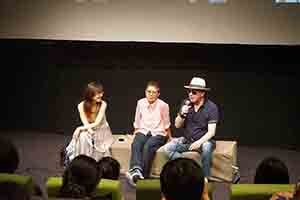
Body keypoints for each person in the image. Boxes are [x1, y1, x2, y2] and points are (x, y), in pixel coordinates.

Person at [163, 77, 219, 178]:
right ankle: (190, 168)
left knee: (206, 147)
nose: (190, 94)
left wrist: (199, 142)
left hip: (203, 141)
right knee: (167, 149)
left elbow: (211, 132)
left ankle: (205, 179)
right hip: (187, 141)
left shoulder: (211, 107)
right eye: (189, 91)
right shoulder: (186, 103)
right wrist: (182, 114)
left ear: (202, 93)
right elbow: (177, 125)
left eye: (194, 92)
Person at [126, 80, 171, 187]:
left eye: (154, 92)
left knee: (148, 146)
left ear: (158, 94)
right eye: (149, 91)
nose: (151, 94)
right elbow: (137, 119)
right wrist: (135, 131)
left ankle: (143, 176)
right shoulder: (140, 103)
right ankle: (136, 170)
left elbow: (166, 123)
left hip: (159, 133)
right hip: (144, 130)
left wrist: (169, 137)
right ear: (145, 92)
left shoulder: (163, 105)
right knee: (136, 143)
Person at [65, 81, 114, 163]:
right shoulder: (81, 105)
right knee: (83, 136)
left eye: (101, 93)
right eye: (98, 93)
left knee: (86, 135)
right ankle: (82, 161)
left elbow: (97, 122)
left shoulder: (103, 104)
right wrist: (88, 130)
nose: (101, 95)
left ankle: (93, 162)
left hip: (101, 129)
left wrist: (79, 128)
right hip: (89, 127)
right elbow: (85, 122)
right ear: (90, 94)